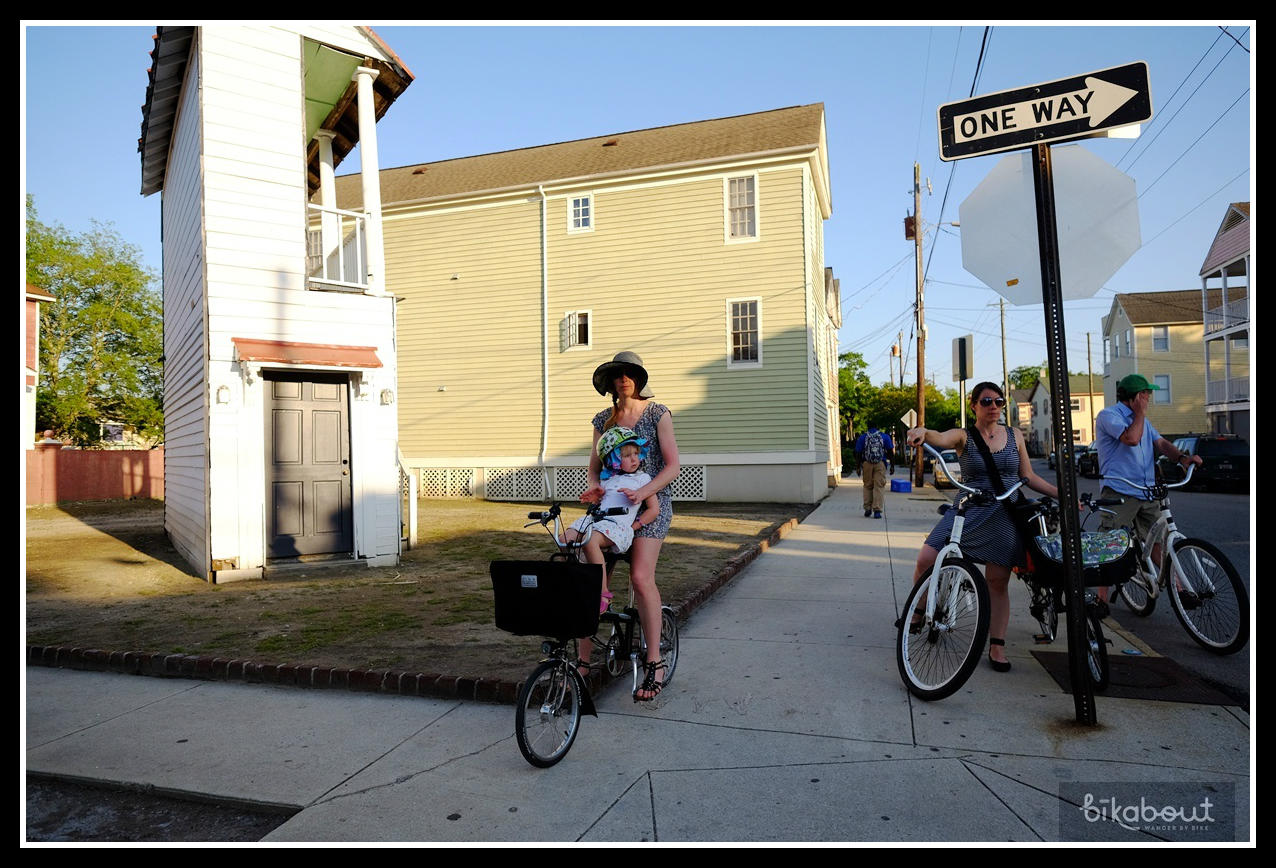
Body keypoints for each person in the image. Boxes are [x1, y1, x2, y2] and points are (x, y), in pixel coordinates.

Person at [904, 382, 1062, 672]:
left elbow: (1027, 476)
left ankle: (997, 645)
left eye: (999, 402)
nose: (994, 406)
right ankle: (917, 609)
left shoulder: (1015, 435)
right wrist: (922, 433)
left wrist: (1060, 494)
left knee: (997, 582)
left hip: (1005, 510)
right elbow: (940, 437)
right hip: (970, 506)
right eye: (987, 401)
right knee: (927, 557)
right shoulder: (965, 435)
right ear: (974, 405)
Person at [579, 351, 681, 701]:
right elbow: (594, 466)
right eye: (617, 374)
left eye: (630, 373)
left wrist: (642, 491)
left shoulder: (657, 412)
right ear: (609, 381)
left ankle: (655, 661)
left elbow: (672, 467)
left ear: (639, 379)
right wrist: (594, 487)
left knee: (640, 577)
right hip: (611, 509)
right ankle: (581, 664)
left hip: (651, 507)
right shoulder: (602, 419)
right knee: (586, 576)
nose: (623, 379)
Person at [1094, 373, 1201, 600]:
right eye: (1146, 394)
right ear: (1136, 397)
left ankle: (1181, 590)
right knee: (1108, 543)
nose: (1149, 398)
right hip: (1119, 491)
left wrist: (1182, 458)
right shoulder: (1108, 416)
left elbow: (1160, 443)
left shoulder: (1143, 421)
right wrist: (1139, 413)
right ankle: (1101, 599)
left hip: (1146, 490)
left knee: (1158, 541)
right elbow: (1131, 439)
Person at [563, 427, 659, 614]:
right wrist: (596, 496)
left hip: (619, 527)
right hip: (597, 522)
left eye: (636, 454)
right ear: (613, 460)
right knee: (565, 538)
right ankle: (575, 581)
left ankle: (602, 592)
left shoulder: (643, 479)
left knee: (590, 541)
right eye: (627, 455)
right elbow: (601, 503)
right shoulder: (607, 480)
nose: (634, 459)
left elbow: (654, 510)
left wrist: (633, 526)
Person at [854, 424, 894, 519]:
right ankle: (877, 511)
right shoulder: (884, 437)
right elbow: (890, 452)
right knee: (879, 486)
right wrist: (892, 466)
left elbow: (858, 453)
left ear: (867, 427)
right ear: (878, 427)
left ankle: (867, 508)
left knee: (867, 486)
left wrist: (858, 467)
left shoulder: (863, 437)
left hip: (867, 463)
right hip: (880, 463)